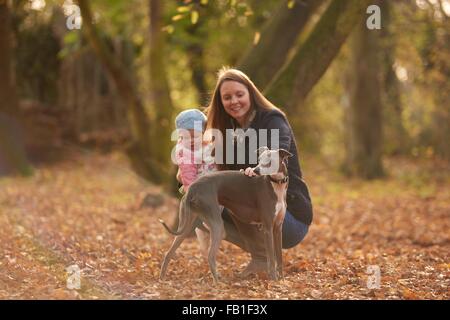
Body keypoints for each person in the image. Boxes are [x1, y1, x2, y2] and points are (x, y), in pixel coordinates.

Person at [205, 67, 313, 277]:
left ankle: (264, 259)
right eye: (227, 97)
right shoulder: (227, 132)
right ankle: (261, 258)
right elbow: (215, 170)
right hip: (258, 209)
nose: (234, 101)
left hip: (290, 218)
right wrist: (187, 176)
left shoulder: (272, 119)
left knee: (233, 192)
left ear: (251, 94)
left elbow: (276, 152)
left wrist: (255, 169)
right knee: (205, 202)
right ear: (221, 103)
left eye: (239, 94)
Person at [174, 108, 218, 254]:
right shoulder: (185, 152)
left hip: (216, 185)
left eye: (195, 136)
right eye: (185, 137)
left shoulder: (211, 143)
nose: (190, 140)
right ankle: (207, 250)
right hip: (197, 190)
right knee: (204, 224)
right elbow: (188, 177)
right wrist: (193, 196)